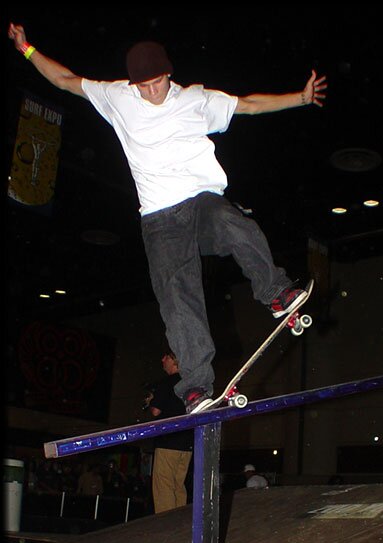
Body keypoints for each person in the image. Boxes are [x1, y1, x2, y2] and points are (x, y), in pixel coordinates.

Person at [8, 24, 327, 414]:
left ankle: (277, 293)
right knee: (178, 297)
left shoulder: (196, 100)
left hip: (202, 203)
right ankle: (195, 386)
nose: (151, 92)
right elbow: (65, 80)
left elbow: (248, 104)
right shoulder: (117, 97)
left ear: (168, 74)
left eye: (157, 83)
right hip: (160, 219)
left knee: (235, 225)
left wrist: (299, 97)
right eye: (143, 86)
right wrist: (26, 50)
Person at [145, 350, 194, 512]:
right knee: (178, 485)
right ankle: (178, 523)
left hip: (168, 441)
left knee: (164, 485)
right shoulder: (190, 383)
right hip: (187, 442)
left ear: (174, 361)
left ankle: (165, 525)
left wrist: (152, 401)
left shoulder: (166, 383)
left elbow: (156, 411)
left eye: (166, 357)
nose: (162, 359)